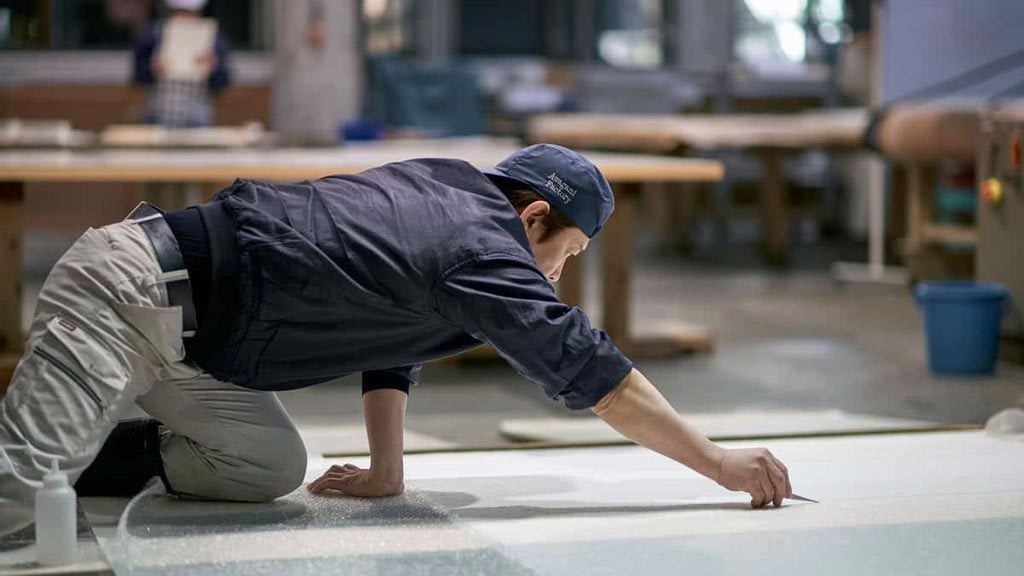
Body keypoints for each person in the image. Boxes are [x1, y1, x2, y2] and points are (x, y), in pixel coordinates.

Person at [0, 144, 791, 535]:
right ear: (533, 219)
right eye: (568, 254)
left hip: (193, 342)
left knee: (267, 467)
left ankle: (93, 443)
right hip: (129, 290)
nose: (558, 276)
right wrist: (718, 463)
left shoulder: (445, 190)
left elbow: (390, 333)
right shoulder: (483, 248)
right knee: (16, 507)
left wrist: (387, 472)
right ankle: (38, 447)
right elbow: (599, 377)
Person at [132, 0, 231, 127]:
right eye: (179, 12)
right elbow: (138, 78)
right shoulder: (153, 34)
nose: (184, 17)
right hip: (157, 116)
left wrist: (213, 68)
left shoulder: (214, 39)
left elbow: (222, 84)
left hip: (197, 118)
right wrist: (152, 69)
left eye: (189, 12)